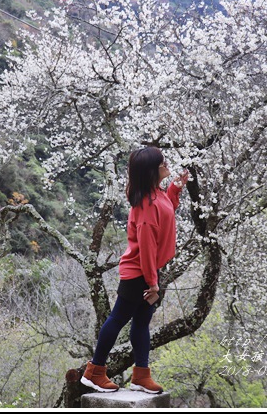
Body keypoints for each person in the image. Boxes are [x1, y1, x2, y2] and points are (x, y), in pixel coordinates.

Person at [81, 146, 189, 394]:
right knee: (118, 319)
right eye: (163, 163)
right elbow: (148, 247)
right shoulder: (145, 205)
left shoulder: (156, 194)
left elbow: (169, 209)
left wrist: (175, 188)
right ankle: (95, 371)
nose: (167, 165)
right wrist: (153, 283)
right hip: (139, 272)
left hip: (149, 271)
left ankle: (141, 375)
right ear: (152, 170)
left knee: (141, 323)